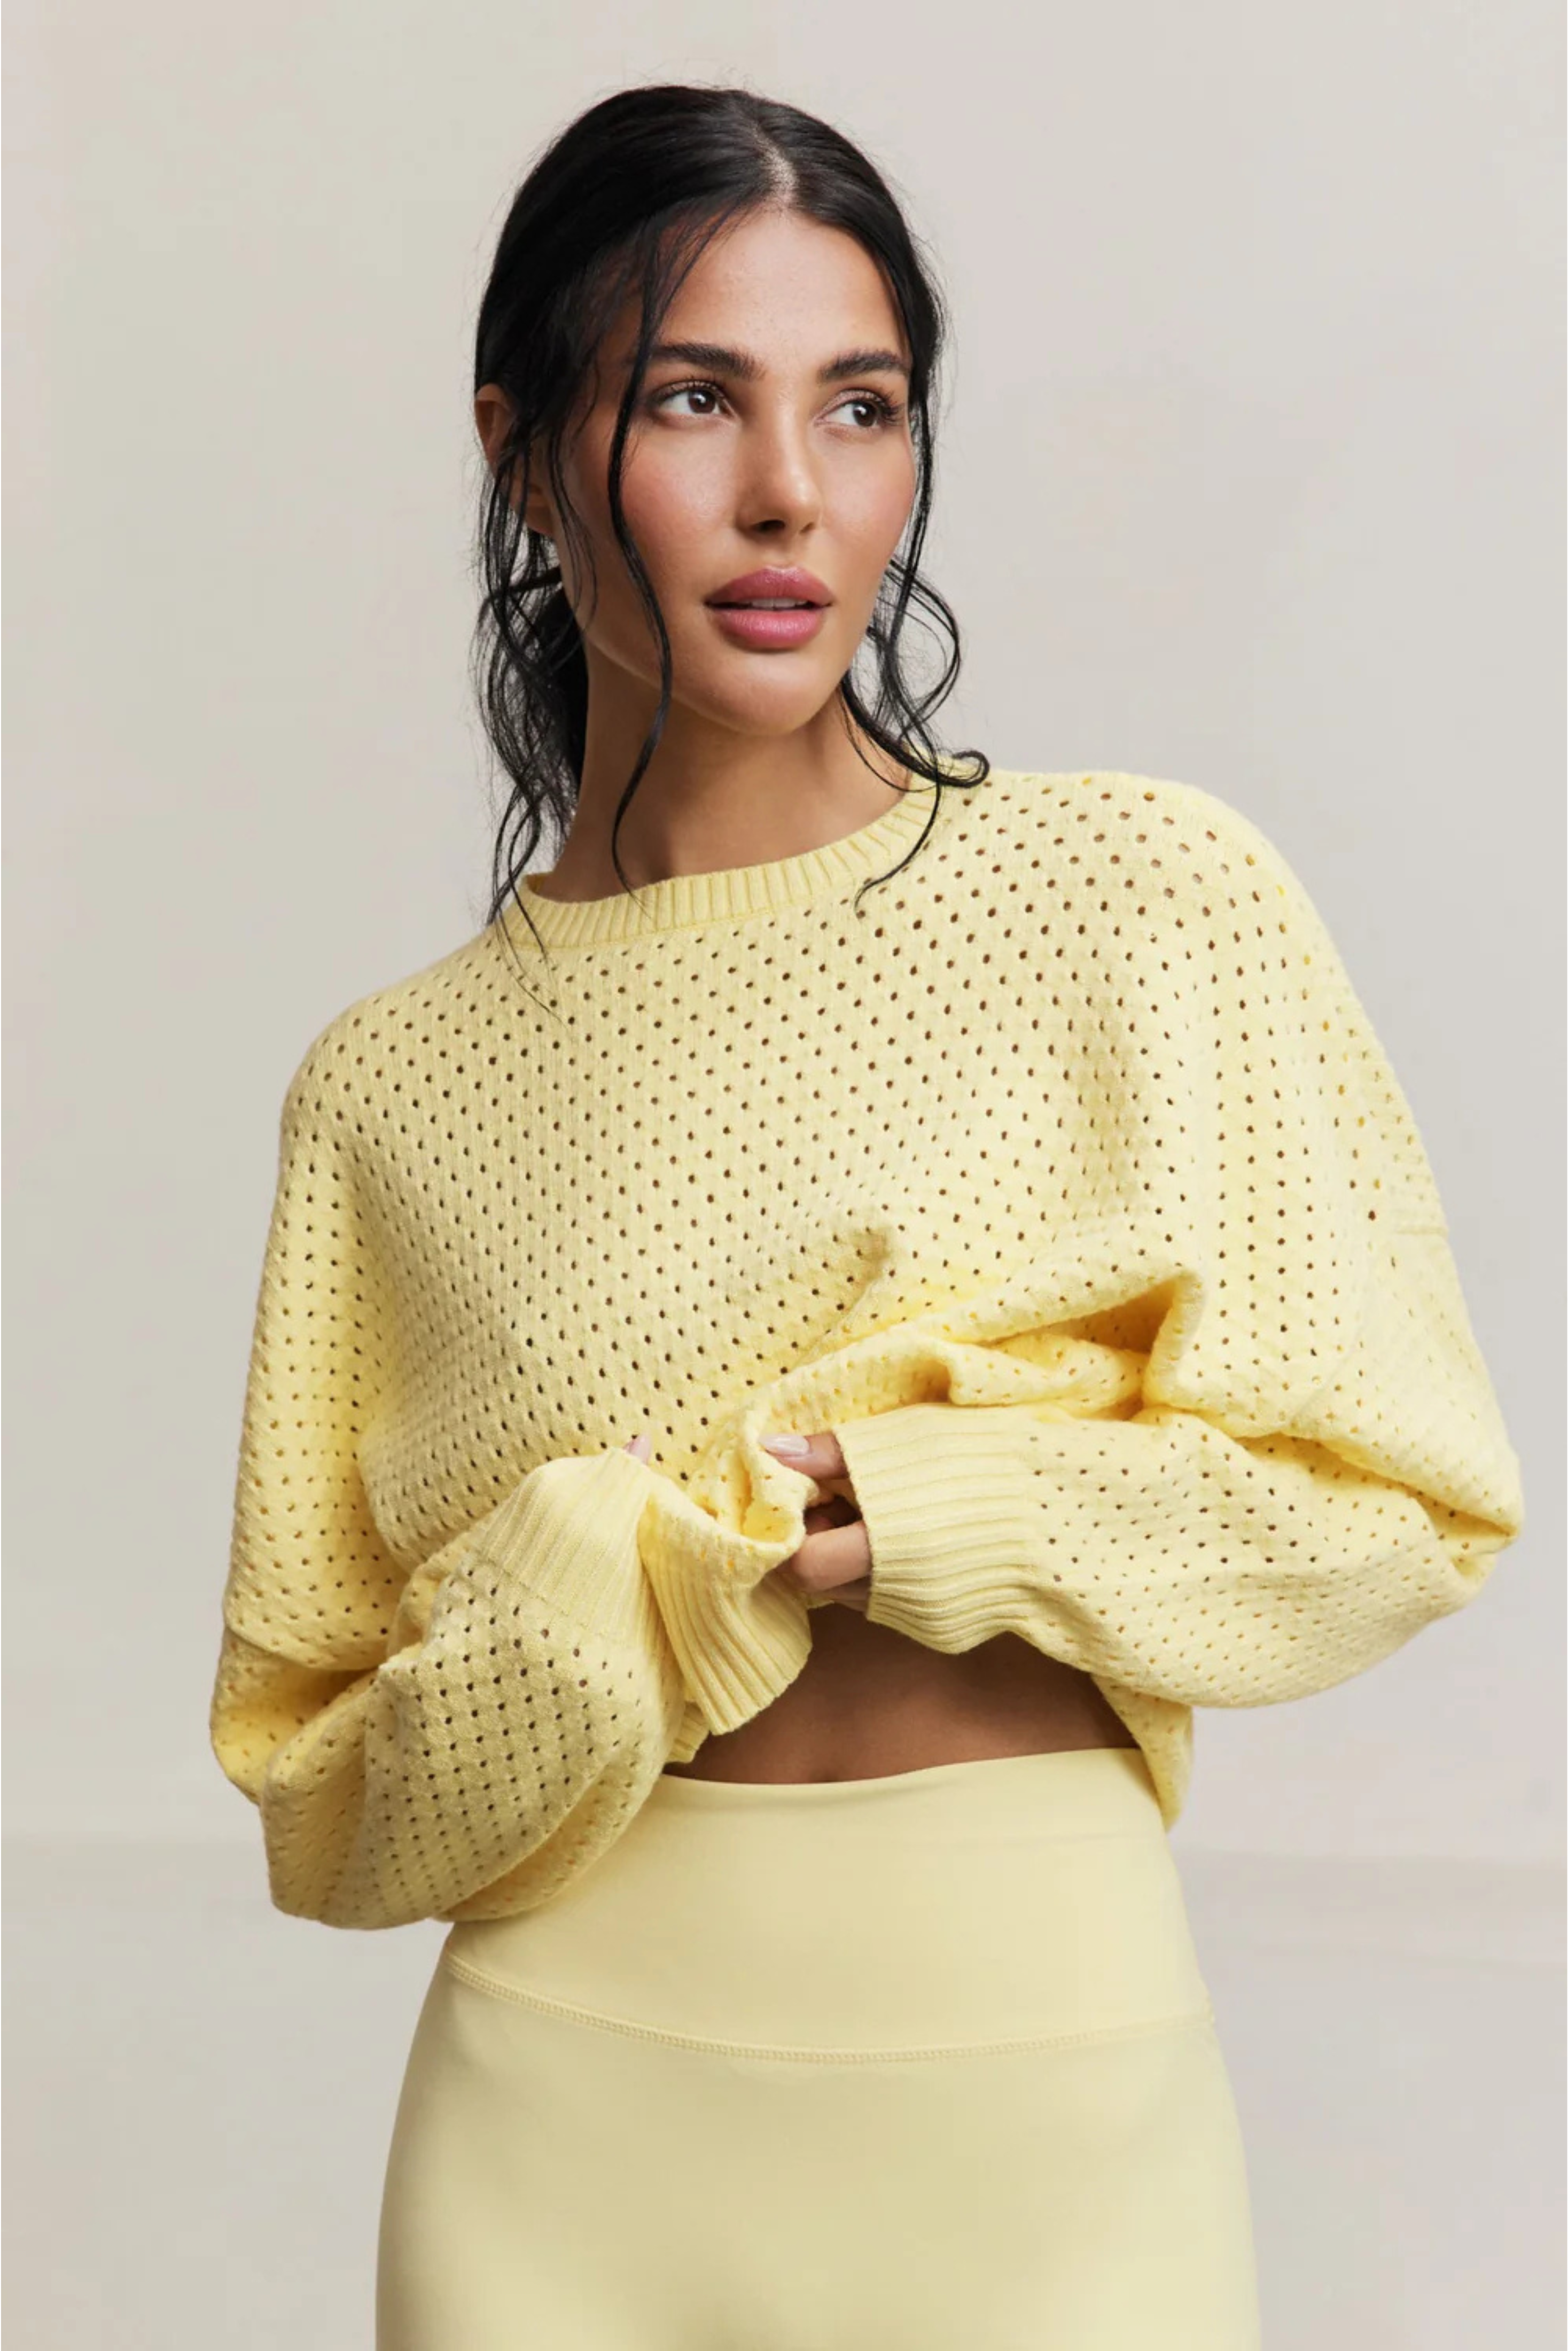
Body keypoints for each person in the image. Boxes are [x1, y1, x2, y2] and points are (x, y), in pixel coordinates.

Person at [207, 83, 1525, 2351]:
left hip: (1038, 2069)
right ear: (523, 455)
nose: (789, 494)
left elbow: (1398, 1507)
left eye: (861, 405)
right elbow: (321, 1806)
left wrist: (940, 1506)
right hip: (558, 2099)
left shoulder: (1137, 894)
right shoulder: (388, 1091)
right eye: (691, 398)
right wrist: (590, 1591)